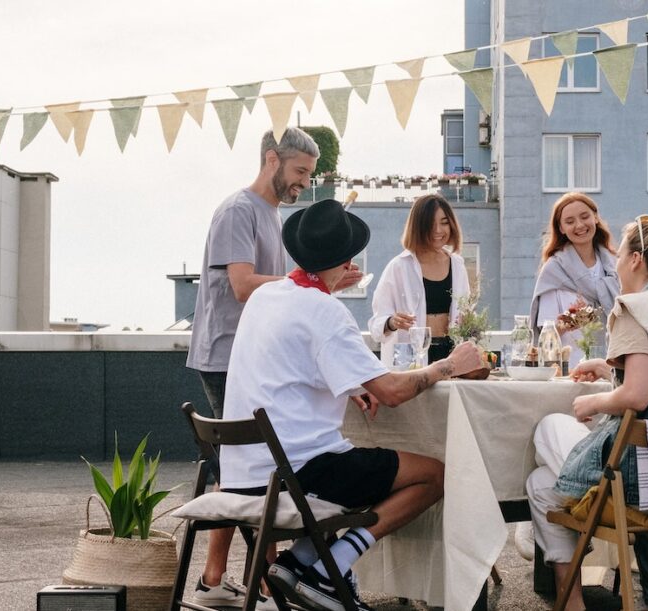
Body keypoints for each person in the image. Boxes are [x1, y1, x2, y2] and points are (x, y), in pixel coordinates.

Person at [221, 198, 483, 611]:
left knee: (363, 461)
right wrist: (448, 365)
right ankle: (333, 565)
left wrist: (351, 385)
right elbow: (392, 392)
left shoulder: (266, 296)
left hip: (243, 473)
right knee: (435, 474)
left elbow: (290, 364)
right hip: (297, 475)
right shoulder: (325, 310)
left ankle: (303, 560)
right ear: (347, 262)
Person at [185, 127, 361, 609]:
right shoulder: (238, 210)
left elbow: (287, 291)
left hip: (255, 354)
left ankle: (236, 581)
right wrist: (307, 280)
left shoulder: (274, 214)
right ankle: (244, 583)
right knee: (248, 469)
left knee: (252, 468)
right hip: (228, 354)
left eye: (309, 173)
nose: (305, 181)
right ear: (271, 160)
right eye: (300, 171)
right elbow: (244, 286)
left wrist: (324, 280)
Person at [526, 213, 648, 611]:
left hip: (639, 480)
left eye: (619, 258)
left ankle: (571, 599)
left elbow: (637, 396)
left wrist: (592, 402)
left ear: (636, 260)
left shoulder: (632, 308)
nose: (615, 266)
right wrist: (610, 368)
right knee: (542, 483)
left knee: (547, 435)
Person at [368, 193, 470, 366]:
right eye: (430, 224)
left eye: (444, 223)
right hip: (412, 357)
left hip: (451, 355)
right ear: (418, 227)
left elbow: (466, 313)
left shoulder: (457, 264)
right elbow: (376, 326)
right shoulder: (398, 267)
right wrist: (392, 322)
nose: (438, 230)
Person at [530, 192, 619, 371]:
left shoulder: (614, 265)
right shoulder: (553, 270)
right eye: (570, 221)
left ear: (595, 217)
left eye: (585, 217)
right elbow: (546, 334)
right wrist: (570, 321)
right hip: (571, 371)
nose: (579, 225)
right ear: (561, 228)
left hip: (610, 368)